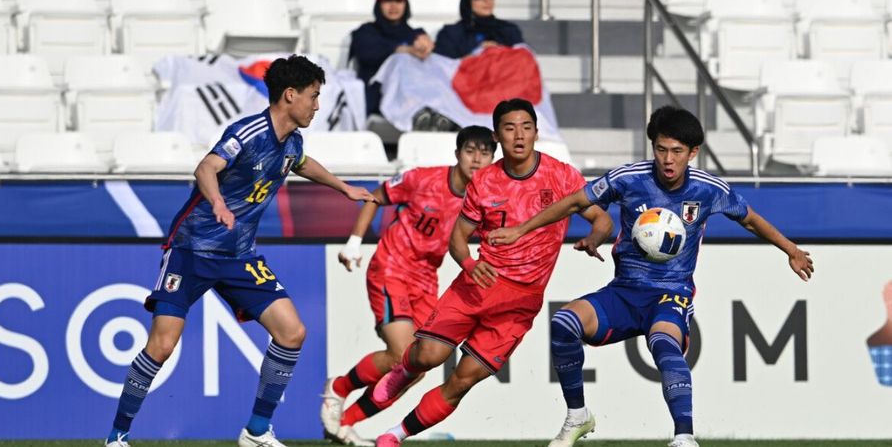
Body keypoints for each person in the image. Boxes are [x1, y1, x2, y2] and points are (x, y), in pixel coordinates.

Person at [488, 106, 815, 447]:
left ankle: (685, 438)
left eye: (676, 151)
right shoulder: (628, 178)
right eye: (661, 149)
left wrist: (790, 250)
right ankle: (578, 416)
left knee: (663, 343)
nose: (668, 159)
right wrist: (520, 230)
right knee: (563, 323)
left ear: (693, 152)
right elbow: (573, 202)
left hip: (670, 293)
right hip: (624, 292)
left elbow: (749, 219)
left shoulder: (707, 189)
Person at [103, 55, 375, 447]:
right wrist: (216, 202)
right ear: (290, 95)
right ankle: (117, 435)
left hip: (239, 256)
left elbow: (301, 162)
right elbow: (206, 168)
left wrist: (343, 187)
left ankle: (257, 431)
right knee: (161, 345)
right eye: (314, 96)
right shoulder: (247, 132)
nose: (318, 105)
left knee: (292, 332)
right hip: (191, 250)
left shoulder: (292, 141)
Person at [369, 98, 613, 447]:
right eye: (510, 128)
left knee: (462, 381)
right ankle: (405, 368)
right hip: (477, 285)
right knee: (428, 356)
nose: (519, 135)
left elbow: (602, 219)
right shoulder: (484, 182)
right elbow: (458, 237)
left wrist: (593, 238)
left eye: (526, 127)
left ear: (536, 133)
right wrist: (468, 263)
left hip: (521, 302)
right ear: (498, 136)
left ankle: (394, 435)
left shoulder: (561, 176)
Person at [321, 126, 496, 446]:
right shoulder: (422, 179)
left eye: (485, 153)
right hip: (392, 267)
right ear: (457, 154)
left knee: (419, 363)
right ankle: (339, 388)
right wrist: (355, 242)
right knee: (402, 352)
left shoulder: (484, 201)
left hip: (427, 279)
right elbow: (377, 196)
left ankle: (346, 422)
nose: (477, 159)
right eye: (470, 151)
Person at [350, 0, 434, 116]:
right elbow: (367, 52)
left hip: (414, 98)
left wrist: (425, 46)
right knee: (400, 60)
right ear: (379, 4)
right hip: (376, 100)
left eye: (398, 1)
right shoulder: (366, 32)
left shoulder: (416, 34)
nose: (393, 6)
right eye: (388, 0)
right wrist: (405, 50)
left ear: (406, 4)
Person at [434, 0, 524, 59]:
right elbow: (442, 68)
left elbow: (524, 63)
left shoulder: (509, 30)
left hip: (504, 84)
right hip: (465, 84)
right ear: (467, 1)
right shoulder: (451, 33)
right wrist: (476, 55)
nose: (487, 1)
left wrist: (501, 53)